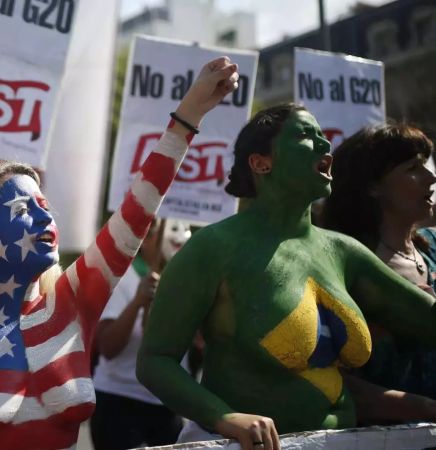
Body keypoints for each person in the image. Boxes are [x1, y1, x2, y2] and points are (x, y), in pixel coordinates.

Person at [0, 56, 240, 450]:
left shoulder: (73, 302)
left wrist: (190, 113)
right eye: (24, 210)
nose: (45, 218)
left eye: (46, 207)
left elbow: (137, 210)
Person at [137, 104, 436, 450]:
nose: (326, 146)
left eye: (324, 137)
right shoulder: (213, 247)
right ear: (261, 162)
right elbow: (155, 361)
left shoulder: (344, 251)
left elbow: (427, 319)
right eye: (306, 136)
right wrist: (225, 417)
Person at [321, 124, 436, 421]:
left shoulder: (433, 249)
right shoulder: (341, 268)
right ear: (373, 186)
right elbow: (328, 379)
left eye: (425, 164)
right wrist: (422, 409)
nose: (431, 178)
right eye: (413, 168)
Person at [90, 219, 191, 449]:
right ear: (146, 240)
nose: (181, 236)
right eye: (171, 229)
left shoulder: (188, 282)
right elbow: (108, 348)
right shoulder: (123, 280)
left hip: (166, 404)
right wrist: (137, 302)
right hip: (119, 402)